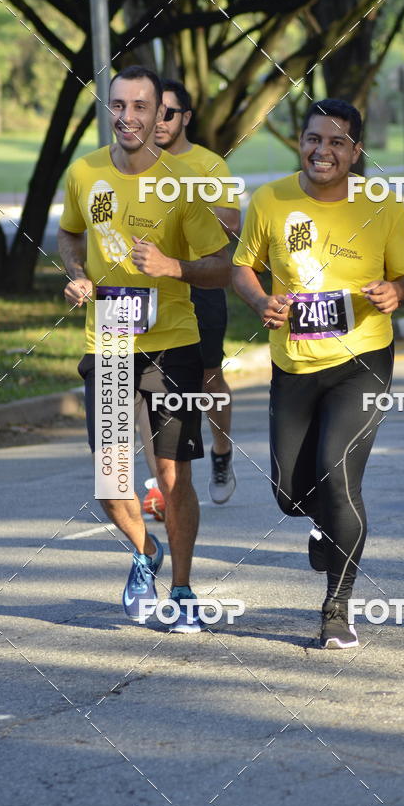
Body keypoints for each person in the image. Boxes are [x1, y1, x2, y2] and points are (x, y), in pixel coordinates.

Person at [232, 98, 404, 649]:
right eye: (315, 139)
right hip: (293, 362)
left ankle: (337, 607)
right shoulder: (269, 199)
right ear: (301, 142)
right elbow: (245, 265)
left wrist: (394, 292)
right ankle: (324, 524)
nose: (324, 151)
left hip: (362, 359)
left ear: (356, 153)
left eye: (338, 142)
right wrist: (259, 299)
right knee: (289, 494)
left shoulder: (383, 207)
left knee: (337, 476)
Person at [58, 65, 229, 632]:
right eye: (118, 105)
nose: (128, 117)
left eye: (140, 107)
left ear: (161, 116)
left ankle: (181, 589)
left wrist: (172, 266)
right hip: (106, 340)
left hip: (172, 344)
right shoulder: (84, 173)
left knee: (172, 474)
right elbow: (70, 232)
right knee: (110, 481)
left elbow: (221, 266)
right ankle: (144, 552)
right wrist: (78, 272)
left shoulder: (184, 183)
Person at [148, 78, 241, 505]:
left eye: (169, 112)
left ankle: (221, 451)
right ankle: (163, 482)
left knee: (206, 377)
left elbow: (231, 223)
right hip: (145, 290)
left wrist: (184, 203)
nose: (159, 120)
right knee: (150, 381)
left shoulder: (208, 165)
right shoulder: (132, 163)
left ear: (186, 117)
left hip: (197, 280)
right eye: (153, 111)